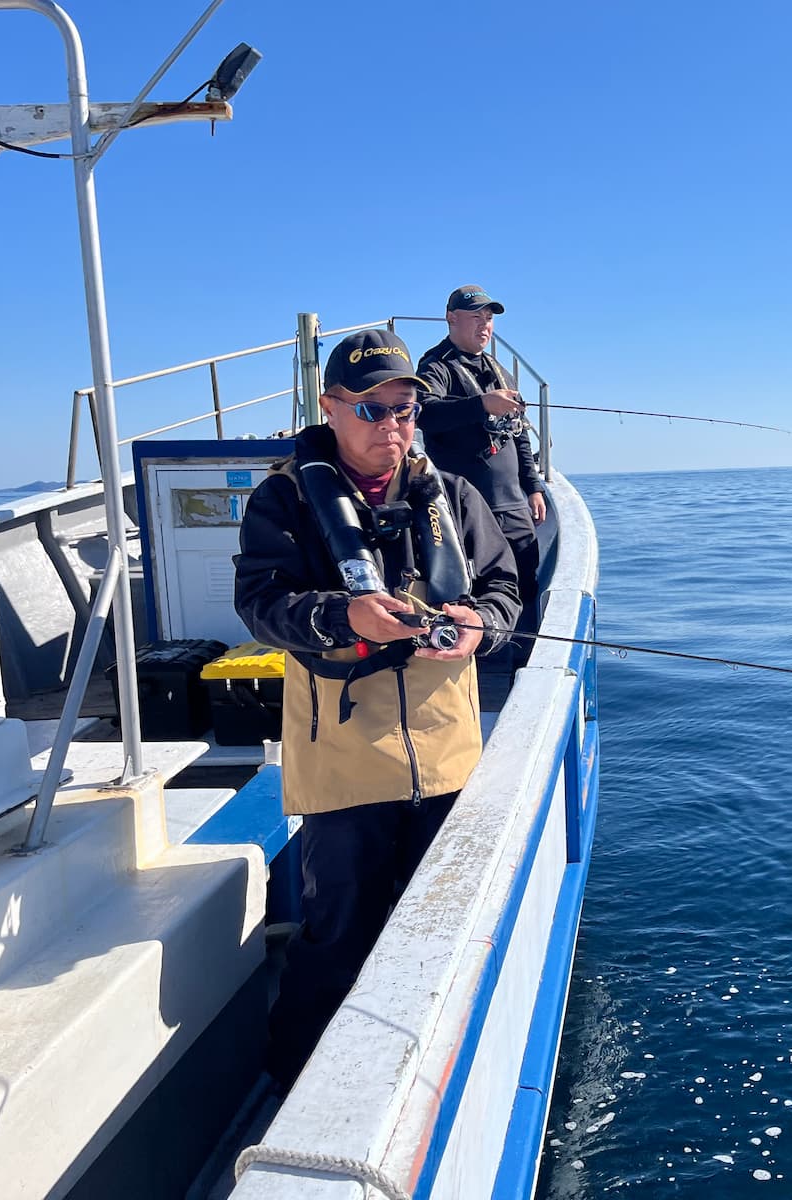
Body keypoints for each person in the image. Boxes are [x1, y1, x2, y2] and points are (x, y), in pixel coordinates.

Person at [233, 327, 520, 1091]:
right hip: (346, 764)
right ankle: (295, 1087)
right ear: (329, 408)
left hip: (448, 756)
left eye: (405, 407)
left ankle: (423, 1074)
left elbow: (502, 591)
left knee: (436, 929)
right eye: (370, 409)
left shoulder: (452, 495)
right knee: (338, 936)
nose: (391, 424)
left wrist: (477, 628)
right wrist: (341, 616)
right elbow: (261, 603)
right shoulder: (285, 500)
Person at [415, 285, 545, 664]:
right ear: (452, 318)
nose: (484, 325)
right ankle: (478, 659)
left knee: (524, 580)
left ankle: (523, 658)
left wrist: (533, 486)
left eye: (488, 318)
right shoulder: (435, 366)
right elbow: (425, 413)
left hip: (512, 502)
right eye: (476, 317)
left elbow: (518, 431)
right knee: (473, 588)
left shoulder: (499, 370)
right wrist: (480, 405)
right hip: (466, 509)